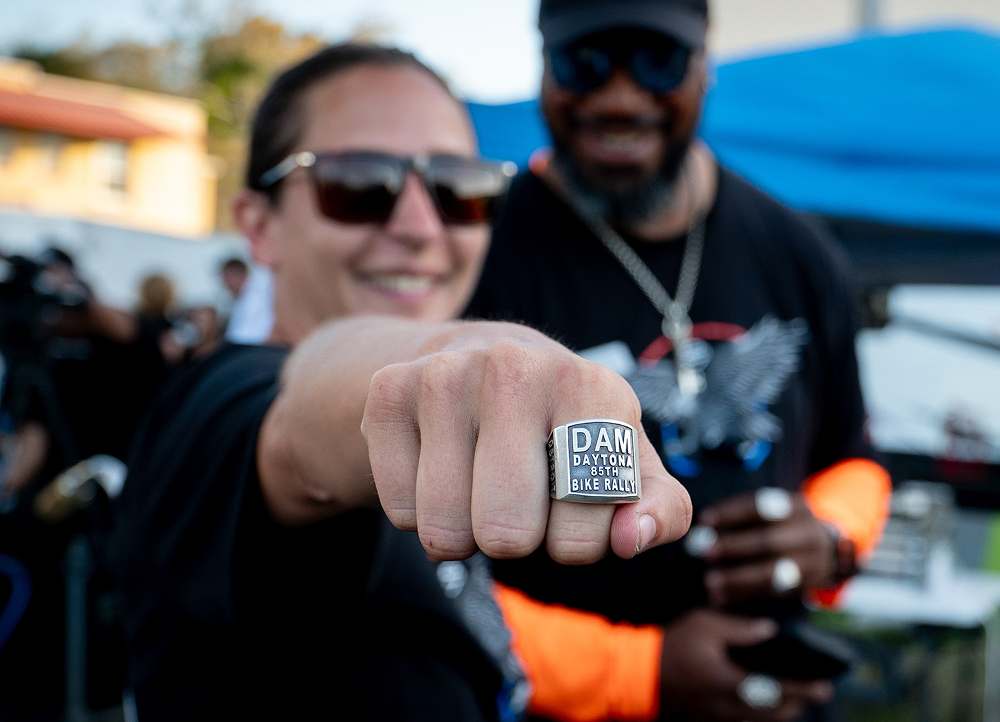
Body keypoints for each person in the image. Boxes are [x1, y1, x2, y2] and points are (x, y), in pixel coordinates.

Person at [114, 44, 692, 721]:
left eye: (459, 190)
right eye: (358, 184)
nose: (420, 228)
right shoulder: (212, 406)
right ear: (258, 226)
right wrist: (460, 350)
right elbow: (303, 415)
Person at [467, 1, 893, 720]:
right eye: (586, 62)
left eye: (658, 62)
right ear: (542, 70)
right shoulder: (473, 250)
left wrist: (831, 535)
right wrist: (639, 674)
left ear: (706, 68)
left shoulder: (797, 249)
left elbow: (853, 456)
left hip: (773, 695)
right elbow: (414, 557)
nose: (621, 97)